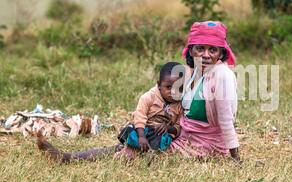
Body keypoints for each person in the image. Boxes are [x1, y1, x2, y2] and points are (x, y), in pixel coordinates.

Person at [37, 62, 184, 162]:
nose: (173, 92)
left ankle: (66, 157)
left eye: (179, 88)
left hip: (158, 140)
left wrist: (168, 128)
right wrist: (141, 136)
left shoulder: (180, 105)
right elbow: (139, 116)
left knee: (118, 152)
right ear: (159, 85)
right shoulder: (149, 97)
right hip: (140, 134)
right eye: (168, 87)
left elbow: (178, 127)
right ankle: (65, 157)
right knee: (117, 151)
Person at [168, 20, 240, 161]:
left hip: (207, 144)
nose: (206, 55)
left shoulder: (222, 76)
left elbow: (226, 120)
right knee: (145, 139)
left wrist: (236, 159)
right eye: (200, 49)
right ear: (190, 50)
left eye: (212, 50)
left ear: (220, 53)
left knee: (153, 150)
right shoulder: (192, 71)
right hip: (184, 135)